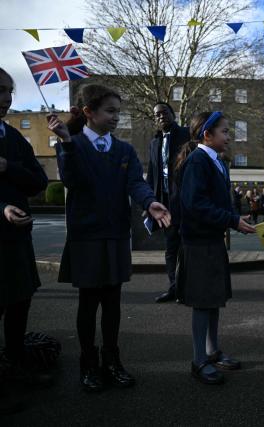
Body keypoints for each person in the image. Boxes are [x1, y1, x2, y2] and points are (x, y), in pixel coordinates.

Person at [47, 84, 172, 392]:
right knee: (88, 304)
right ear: (89, 112)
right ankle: (88, 364)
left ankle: (112, 360)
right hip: (87, 236)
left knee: (113, 303)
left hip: (116, 235)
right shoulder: (71, 144)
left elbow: (135, 184)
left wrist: (149, 202)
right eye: (111, 111)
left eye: (119, 111)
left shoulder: (125, 150)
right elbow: (73, 181)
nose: (117, 117)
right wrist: (65, 143)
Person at [175, 111, 255, 385]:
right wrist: (232, 219)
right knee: (202, 302)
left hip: (210, 240)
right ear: (207, 135)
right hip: (198, 242)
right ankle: (199, 360)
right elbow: (194, 204)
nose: (228, 136)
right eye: (224, 131)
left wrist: (233, 218)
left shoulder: (216, 161)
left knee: (213, 299)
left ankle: (211, 350)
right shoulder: (198, 161)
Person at [0, 68, 50, 387]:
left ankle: (16, 364)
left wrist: (9, 167)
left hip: (16, 239)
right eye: (1, 90)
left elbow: (39, 182)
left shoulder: (13, 138)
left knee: (20, 301)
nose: (6, 98)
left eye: (9, 92)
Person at [148, 102, 190, 303]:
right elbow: (152, 174)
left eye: (165, 112)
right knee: (171, 248)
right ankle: (174, 288)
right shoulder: (154, 142)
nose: (161, 116)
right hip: (164, 203)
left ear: (173, 115)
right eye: (157, 115)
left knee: (187, 246)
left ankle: (188, 288)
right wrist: (147, 202)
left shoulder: (186, 135)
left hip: (184, 201)